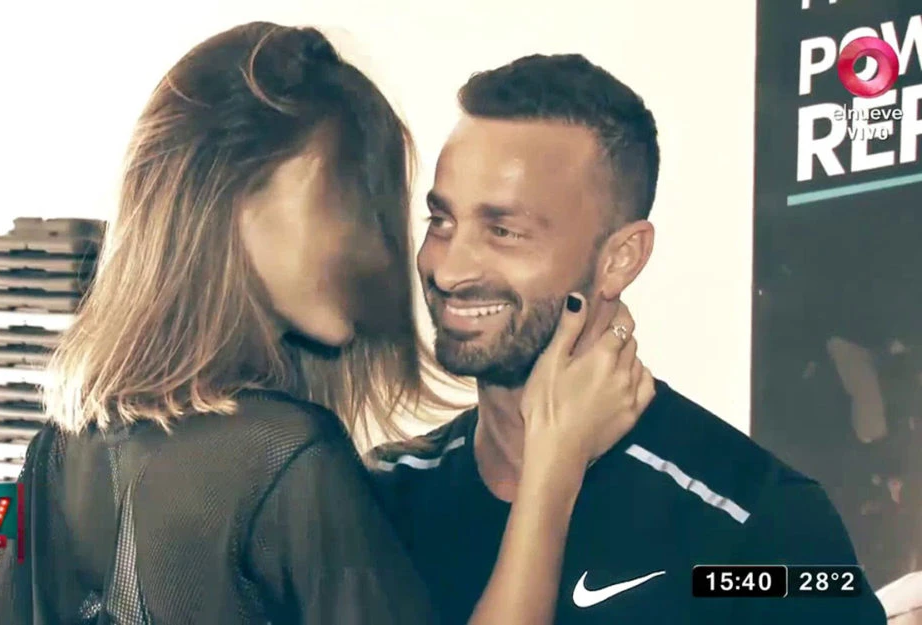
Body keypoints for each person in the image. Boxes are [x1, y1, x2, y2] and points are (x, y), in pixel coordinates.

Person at [0, 23, 653, 625]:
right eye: (349, 199)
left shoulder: (58, 452)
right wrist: (553, 470)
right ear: (233, 194)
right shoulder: (287, 460)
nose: (383, 252)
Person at [368, 53, 888, 624]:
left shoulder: (758, 520)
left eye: (504, 231)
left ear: (621, 258)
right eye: (441, 221)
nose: (448, 270)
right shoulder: (383, 500)